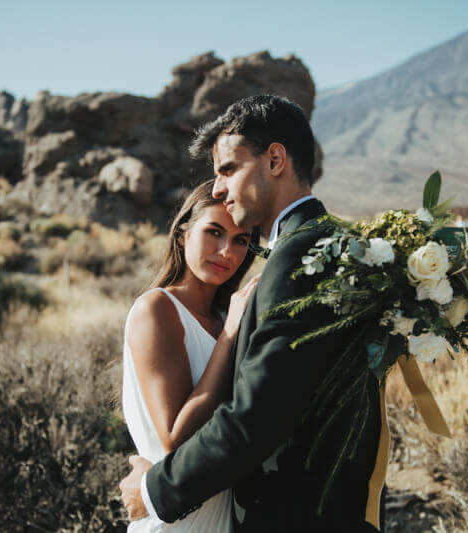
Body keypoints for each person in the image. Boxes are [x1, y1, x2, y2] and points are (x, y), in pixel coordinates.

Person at [121, 95, 384, 532]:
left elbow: (257, 416)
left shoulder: (299, 256)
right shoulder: (331, 242)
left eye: (227, 169)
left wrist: (153, 490)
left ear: (275, 159)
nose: (219, 188)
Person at [121, 179, 260, 532]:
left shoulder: (224, 317)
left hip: (221, 515)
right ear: (182, 234)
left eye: (241, 240)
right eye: (214, 232)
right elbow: (174, 438)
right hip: (172, 521)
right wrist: (230, 333)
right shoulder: (157, 309)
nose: (227, 251)